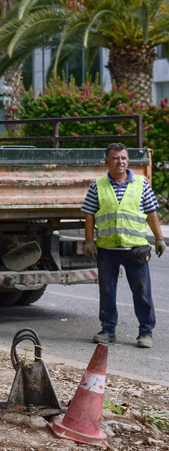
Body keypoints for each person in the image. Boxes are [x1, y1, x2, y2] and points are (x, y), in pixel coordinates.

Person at [82, 143, 165, 348]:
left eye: (124, 158)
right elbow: (89, 215)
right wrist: (89, 241)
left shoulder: (141, 183)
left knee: (142, 291)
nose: (120, 161)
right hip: (107, 249)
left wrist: (160, 238)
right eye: (116, 158)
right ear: (107, 161)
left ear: (128, 161)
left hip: (135, 248)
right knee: (107, 292)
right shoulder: (98, 186)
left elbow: (152, 213)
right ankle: (108, 330)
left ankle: (145, 332)